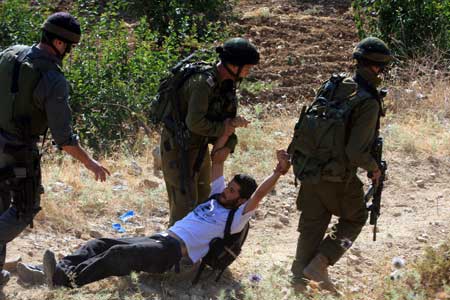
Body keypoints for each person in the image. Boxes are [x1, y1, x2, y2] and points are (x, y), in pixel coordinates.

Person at [17, 127, 291, 288]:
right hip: (160, 238)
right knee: (100, 243)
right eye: (228, 186)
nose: (226, 190)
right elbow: (217, 160)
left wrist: (278, 171)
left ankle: (64, 280)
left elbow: (258, 197)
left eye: (232, 190)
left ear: (241, 200)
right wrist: (228, 130)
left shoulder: (236, 217)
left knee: (118, 255)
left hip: (172, 254)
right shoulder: (217, 197)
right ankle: (56, 271)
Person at [0, 12, 110, 288]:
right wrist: (91, 163)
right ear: (60, 44)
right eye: (70, 47)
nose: (69, 53)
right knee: (24, 210)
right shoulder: (52, 78)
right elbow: (65, 140)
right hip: (17, 153)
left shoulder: (9, 53)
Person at [290, 37, 393, 292]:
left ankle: (298, 281)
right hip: (337, 176)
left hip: (309, 168)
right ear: (377, 67)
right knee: (356, 217)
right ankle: (322, 262)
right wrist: (374, 167)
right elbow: (355, 151)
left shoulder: (334, 84)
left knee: (313, 224)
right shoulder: (368, 100)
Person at [161, 37, 260, 225]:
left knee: (203, 201)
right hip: (178, 147)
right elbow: (196, 123)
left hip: (198, 147)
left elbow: (224, 121)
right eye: (246, 66)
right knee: (183, 207)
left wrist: (229, 144)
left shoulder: (226, 85)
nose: (248, 71)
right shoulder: (202, 83)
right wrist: (226, 127)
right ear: (233, 64)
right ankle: (174, 250)